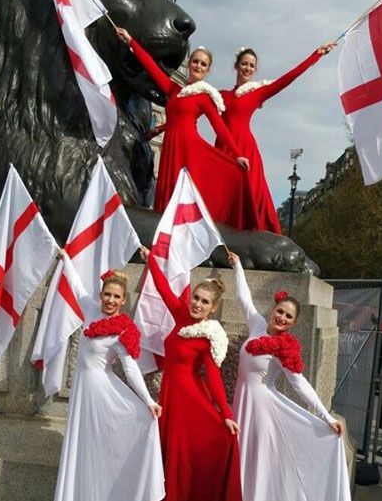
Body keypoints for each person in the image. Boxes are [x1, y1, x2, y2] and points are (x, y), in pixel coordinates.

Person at [228, 251, 351, 501]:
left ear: (293, 323)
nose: (282, 318)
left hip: (262, 411)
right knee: (239, 457)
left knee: (256, 463)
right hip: (242, 404)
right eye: (280, 311)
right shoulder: (257, 325)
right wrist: (237, 265)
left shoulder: (285, 347)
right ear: (273, 309)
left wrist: (326, 416)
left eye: (288, 316)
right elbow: (244, 297)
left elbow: (299, 383)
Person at [116, 27, 261, 231]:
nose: (198, 66)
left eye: (203, 64)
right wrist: (131, 41)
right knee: (166, 195)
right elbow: (151, 67)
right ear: (190, 63)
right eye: (196, 61)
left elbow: (220, 128)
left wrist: (237, 154)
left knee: (183, 195)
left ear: (207, 71)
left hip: (189, 150)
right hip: (171, 147)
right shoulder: (174, 89)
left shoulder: (204, 96)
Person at [140, 245, 243, 501]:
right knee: (169, 453)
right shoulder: (181, 314)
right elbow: (163, 288)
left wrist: (226, 415)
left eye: (204, 302)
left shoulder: (209, 336)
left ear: (213, 308)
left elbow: (213, 376)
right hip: (170, 395)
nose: (197, 304)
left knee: (184, 454)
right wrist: (151, 260)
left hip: (189, 399)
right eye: (196, 298)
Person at [54, 265, 165, 501]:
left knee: (97, 448)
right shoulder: (91, 310)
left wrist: (148, 400)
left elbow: (131, 369)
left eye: (116, 297)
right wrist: (65, 260)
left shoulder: (122, 331)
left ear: (123, 300)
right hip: (83, 389)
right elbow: (76, 287)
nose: (111, 300)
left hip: (99, 392)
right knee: (82, 445)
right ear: (101, 295)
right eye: (107, 294)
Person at [216, 43, 336, 233]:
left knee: (249, 197)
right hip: (223, 150)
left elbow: (289, 77)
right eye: (244, 64)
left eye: (252, 65)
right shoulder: (221, 95)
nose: (248, 68)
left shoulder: (257, 92)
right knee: (220, 196)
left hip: (245, 150)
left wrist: (317, 54)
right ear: (236, 66)